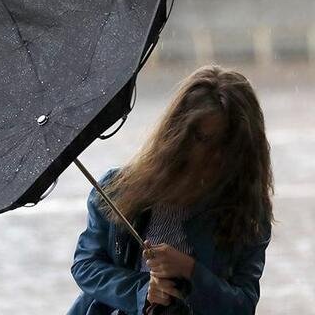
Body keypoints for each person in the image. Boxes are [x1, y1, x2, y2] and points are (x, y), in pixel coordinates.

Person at [67, 65, 274, 315]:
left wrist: (190, 270)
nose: (214, 155)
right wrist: (142, 291)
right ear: (179, 133)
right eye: (202, 139)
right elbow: (86, 265)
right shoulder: (117, 189)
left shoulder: (248, 214)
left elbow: (242, 306)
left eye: (225, 144)